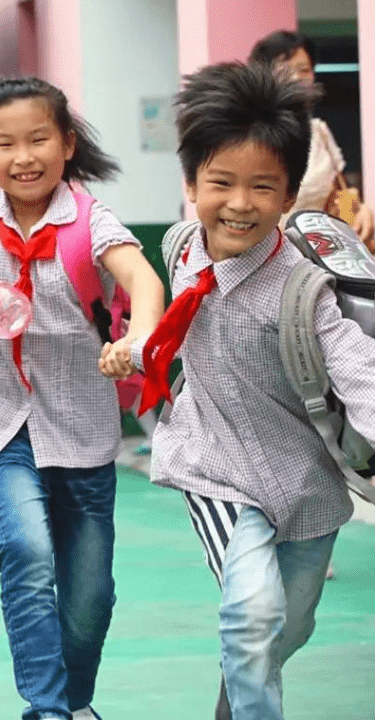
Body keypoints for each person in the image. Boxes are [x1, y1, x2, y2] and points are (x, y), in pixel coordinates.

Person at [0, 77, 166, 720]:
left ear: (67, 143)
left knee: (90, 596)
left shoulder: (91, 222)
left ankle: (74, 705)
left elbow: (142, 277)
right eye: (6, 144)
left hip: (82, 427)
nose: (24, 157)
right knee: (27, 549)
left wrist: (143, 336)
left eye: (39, 139)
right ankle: (44, 710)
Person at [124, 61, 375, 720]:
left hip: (306, 484)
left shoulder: (303, 290)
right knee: (250, 615)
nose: (238, 203)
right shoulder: (181, 249)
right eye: (220, 183)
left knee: (284, 630)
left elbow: (358, 370)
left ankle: (232, 704)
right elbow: (165, 326)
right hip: (215, 466)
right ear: (188, 183)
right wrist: (134, 350)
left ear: (288, 194)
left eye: (261, 187)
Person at [249, 30, 375, 244]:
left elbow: (340, 194)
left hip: (323, 254)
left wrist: (359, 213)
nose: (297, 78)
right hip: (271, 254)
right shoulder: (250, 135)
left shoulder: (319, 133)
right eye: (285, 70)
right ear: (263, 76)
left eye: (304, 70)